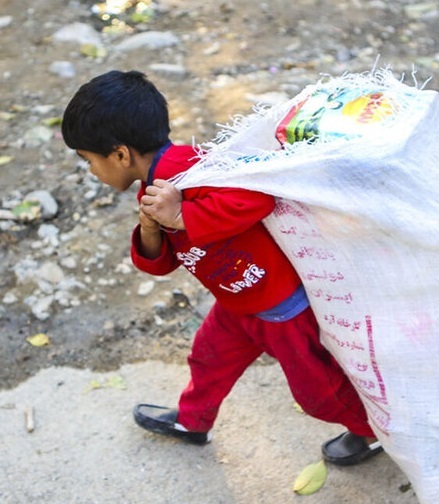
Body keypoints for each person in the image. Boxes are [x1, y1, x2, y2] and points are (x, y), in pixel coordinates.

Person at [61, 69, 383, 466]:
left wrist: (181, 215)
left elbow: (255, 200)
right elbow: (161, 263)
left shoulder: (193, 169)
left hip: (283, 310)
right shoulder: (153, 189)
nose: (92, 171)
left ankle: (372, 432)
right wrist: (151, 229)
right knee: (208, 359)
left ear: (120, 154)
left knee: (319, 394)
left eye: (89, 160)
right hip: (235, 304)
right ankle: (192, 421)